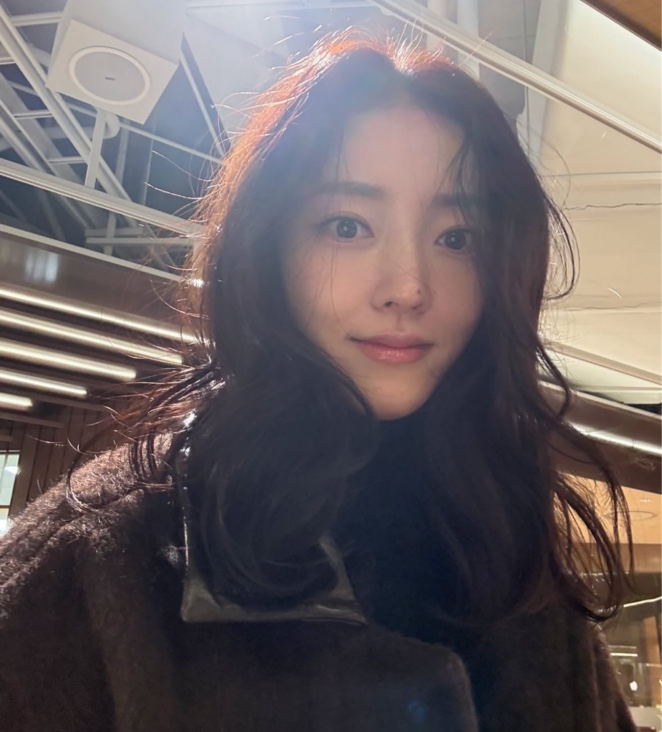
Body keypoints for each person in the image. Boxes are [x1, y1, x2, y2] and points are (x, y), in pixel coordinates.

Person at [0, 32, 636, 732]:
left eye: (457, 238)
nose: (408, 287)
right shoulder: (96, 560)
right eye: (347, 226)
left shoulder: (513, 551)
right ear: (269, 248)